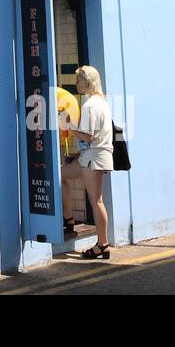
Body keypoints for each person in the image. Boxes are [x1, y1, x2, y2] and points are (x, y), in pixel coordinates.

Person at [70, 65, 113, 259]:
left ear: (87, 82)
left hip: (93, 158)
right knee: (97, 200)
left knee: (96, 201)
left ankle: (102, 244)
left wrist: (69, 126)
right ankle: (101, 242)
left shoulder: (89, 105)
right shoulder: (102, 102)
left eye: (78, 80)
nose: (76, 83)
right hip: (97, 156)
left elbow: (87, 137)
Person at [56, 85, 82, 237]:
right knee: (60, 176)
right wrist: (74, 155)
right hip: (91, 159)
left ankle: (68, 217)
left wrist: (69, 124)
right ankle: (68, 217)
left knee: (59, 176)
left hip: (91, 161)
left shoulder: (91, 109)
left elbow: (90, 139)